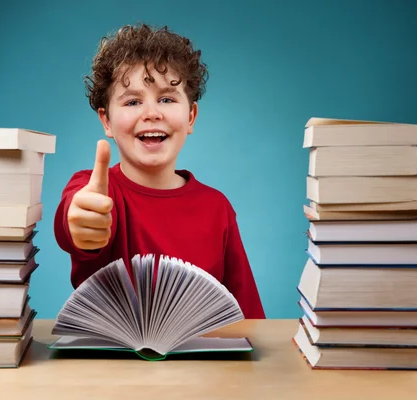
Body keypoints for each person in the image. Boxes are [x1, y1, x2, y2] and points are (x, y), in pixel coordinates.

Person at [54, 23, 265, 319]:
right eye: (132, 101)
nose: (152, 113)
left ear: (190, 116)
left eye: (167, 99)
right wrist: (80, 222)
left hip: (200, 363)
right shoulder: (94, 190)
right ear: (107, 121)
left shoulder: (218, 208)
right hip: (107, 363)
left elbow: (249, 316)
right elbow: (74, 214)